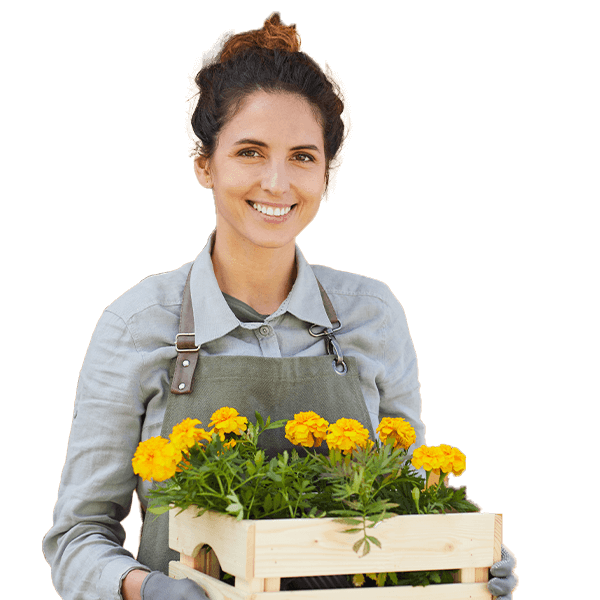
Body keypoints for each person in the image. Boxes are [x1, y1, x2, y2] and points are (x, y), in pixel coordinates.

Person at [43, 12, 517, 600]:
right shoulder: (138, 324)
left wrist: (466, 548)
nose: (276, 182)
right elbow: (77, 537)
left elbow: (411, 495)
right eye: (249, 151)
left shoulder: (373, 312)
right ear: (202, 162)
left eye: (301, 156)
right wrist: (146, 589)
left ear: (327, 174)